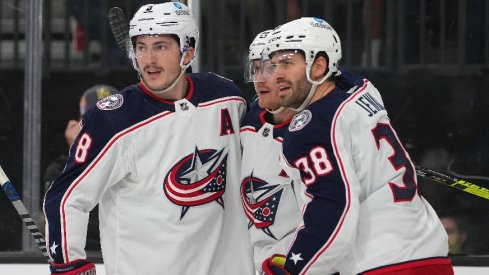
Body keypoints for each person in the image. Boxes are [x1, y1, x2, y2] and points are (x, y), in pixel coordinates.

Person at [43, 2, 253, 275]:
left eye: (161, 46)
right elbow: (66, 197)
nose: (149, 59)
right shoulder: (112, 120)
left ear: (188, 51)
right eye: (141, 47)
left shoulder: (226, 97)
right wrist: (68, 263)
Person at [260, 17, 453, 274]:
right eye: (273, 65)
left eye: (287, 63)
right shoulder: (362, 89)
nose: (276, 74)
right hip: (432, 255)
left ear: (319, 66)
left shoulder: (310, 128)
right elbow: (339, 76)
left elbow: (332, 207)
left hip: (383, 263)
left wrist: (296, 267)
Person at [240, 30, 301, 272]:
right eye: (256, 69)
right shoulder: (249, 119)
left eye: (270, 69)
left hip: (300, 264)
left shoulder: (318, 131)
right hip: (257, 264)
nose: (260, 80)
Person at [41, 84, 118, 249]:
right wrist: (78, 154)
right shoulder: (60, 167)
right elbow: (64, 216)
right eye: (94, 120)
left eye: (109, 121)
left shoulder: (132, 159)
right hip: (82, 255)